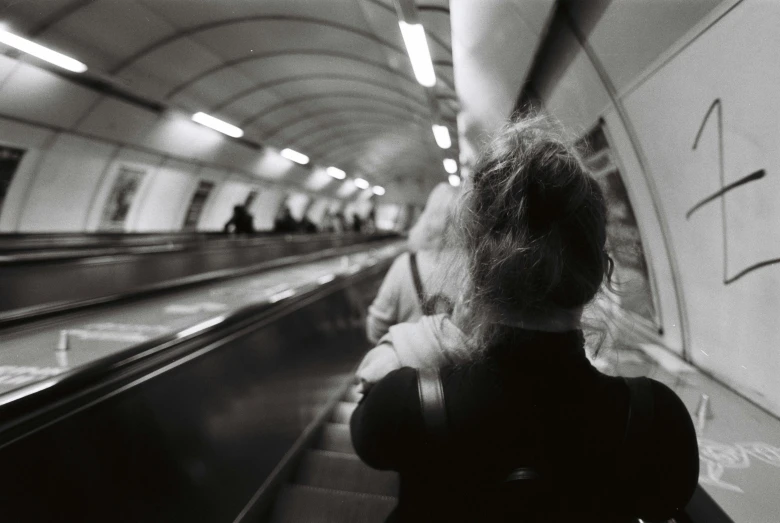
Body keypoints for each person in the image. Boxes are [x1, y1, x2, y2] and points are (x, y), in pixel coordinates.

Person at [350, 116, 699, 522]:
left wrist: (439, 334)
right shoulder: (656, 422)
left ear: (477, 273)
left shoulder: (406, 403)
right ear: (599, 274)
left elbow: (366, 441)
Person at [364, 182, 461, 344]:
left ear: (427, 216)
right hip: (463, 367)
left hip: (413, 365)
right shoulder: (479, 268)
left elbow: (375, 328)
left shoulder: (404, 266)